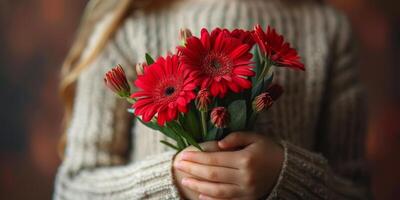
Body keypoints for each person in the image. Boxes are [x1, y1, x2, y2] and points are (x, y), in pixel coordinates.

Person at [54, 0, 369, 199]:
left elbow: (356, 190)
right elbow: (74, 188)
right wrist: (175, 180)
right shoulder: (126, 25)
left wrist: (284, 176)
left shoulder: (329, 30)